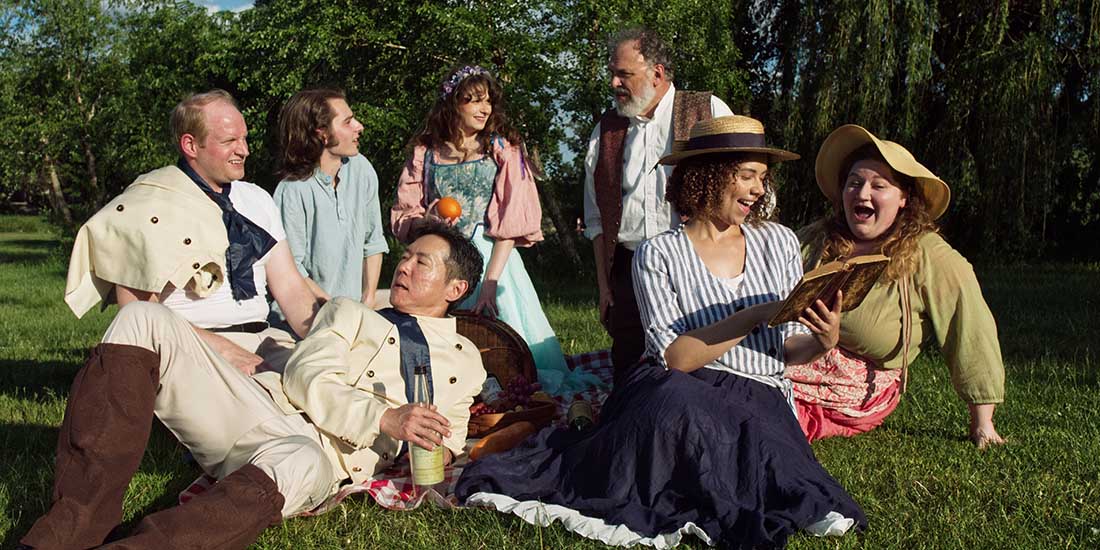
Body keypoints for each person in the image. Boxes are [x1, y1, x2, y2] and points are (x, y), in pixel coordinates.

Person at [456, 116, 866, 549]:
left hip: (757, 390)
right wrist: (755, 314)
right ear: (709, 176)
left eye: (762, 178)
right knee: (677, 406)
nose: (758, 190)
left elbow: (787, 349)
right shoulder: (658, 253)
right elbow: (675, 358)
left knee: (760, 453)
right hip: (679, 386)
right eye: (747, 176)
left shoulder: (778, 242)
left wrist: (823, 340)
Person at [19, 223, 487, 550]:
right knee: (141, 317)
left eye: (421, 262)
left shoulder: (466, 364)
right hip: (256, 407)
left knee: (300, 459)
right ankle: (65, 533)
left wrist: (435, 449)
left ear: (455, 288)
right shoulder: (351, 312)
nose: (402, 267)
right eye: (404, 257)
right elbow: (305, 376)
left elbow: (450, 438)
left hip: (320, 454)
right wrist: (385, 417)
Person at [64, 89, 321, 375]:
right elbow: (138, 315)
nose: (244, 150)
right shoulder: (148, 206)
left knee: (335, 380)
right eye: (230, 141)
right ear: (190, 145)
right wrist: (222, 349)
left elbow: (289, 287)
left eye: (244, 138)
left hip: (267, 341)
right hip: (192, 350)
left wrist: (330, 335)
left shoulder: (257, 199)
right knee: (279, 406)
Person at [787, 124, 1007, 447]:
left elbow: (969, 326)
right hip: (794, 353)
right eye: (854, 183)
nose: (862, 194)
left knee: (762, 403)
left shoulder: (928, 255)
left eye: (879, 185)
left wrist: (982, 423)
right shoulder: (818, 238)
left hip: (859, 385)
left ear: (904, 198)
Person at [391, 64, 596, 395]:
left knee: (506, 344)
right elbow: (406, 212)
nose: (483, 109)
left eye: (487, 101)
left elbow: (510, 224)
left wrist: (490, 283)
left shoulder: (501, 149)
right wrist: (428, 219)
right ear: (453, 104)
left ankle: (512, 395)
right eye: (473, 100)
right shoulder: (425, 153)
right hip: (443, 260)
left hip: (493, 260)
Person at [582, 27, 735, 384]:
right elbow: (595, 217)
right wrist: (605, 286)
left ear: (657, 73)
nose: (614, 83)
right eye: (613, 73)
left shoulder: (707, 111)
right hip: (629, 267)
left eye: (624, 75)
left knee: (700, 369)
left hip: (696, 263)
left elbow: (739, 188)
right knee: (629, 374)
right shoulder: (606, 130)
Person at [272, 89, 388, 318]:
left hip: (355, 311)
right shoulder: (292, 191)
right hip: (303, 319)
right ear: (322, 134)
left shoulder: (361, 169)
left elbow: (373, 241)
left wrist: (368, 298)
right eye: (347, 122)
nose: (359, 126)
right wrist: (334, 309)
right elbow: (291, 268)